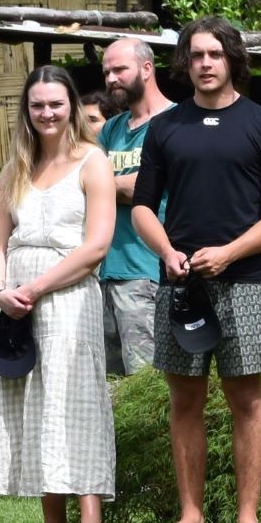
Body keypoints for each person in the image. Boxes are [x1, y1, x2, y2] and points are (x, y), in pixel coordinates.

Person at [128, 17, 261, 523]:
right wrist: (165, 251)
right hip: (180, 282)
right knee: (184, 399)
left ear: (232, 60)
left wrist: (229, 252)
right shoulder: (166, 127)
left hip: (243, 279)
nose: (205, 64)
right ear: (186, 63)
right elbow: (141, 207)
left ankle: (248, 516)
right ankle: (191, 515)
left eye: (215, 55)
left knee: (246, 398)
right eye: (197, 55)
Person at [0, 64, 115, 523]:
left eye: (56, 103)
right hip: (14, 300)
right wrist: (0, 290)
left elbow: (95, 246)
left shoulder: (92, 161)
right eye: (37, 105)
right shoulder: (14, 168)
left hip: (68, 298)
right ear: (26, 110)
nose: (47, 113)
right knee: (33, 400)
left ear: (72, 106)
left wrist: (36, 289)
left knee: (72, 398)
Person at [94, 35, 174, 379]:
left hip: (147, 270)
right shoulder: (111, 129)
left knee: (146, 382)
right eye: (107, 72)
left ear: (146, 68)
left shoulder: (176, 123)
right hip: (103, 273)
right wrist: (125, 186)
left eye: (120, 70)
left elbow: (151, 188)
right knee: (107, 386)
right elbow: (83, 185)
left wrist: (105, 185)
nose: (112, 78)